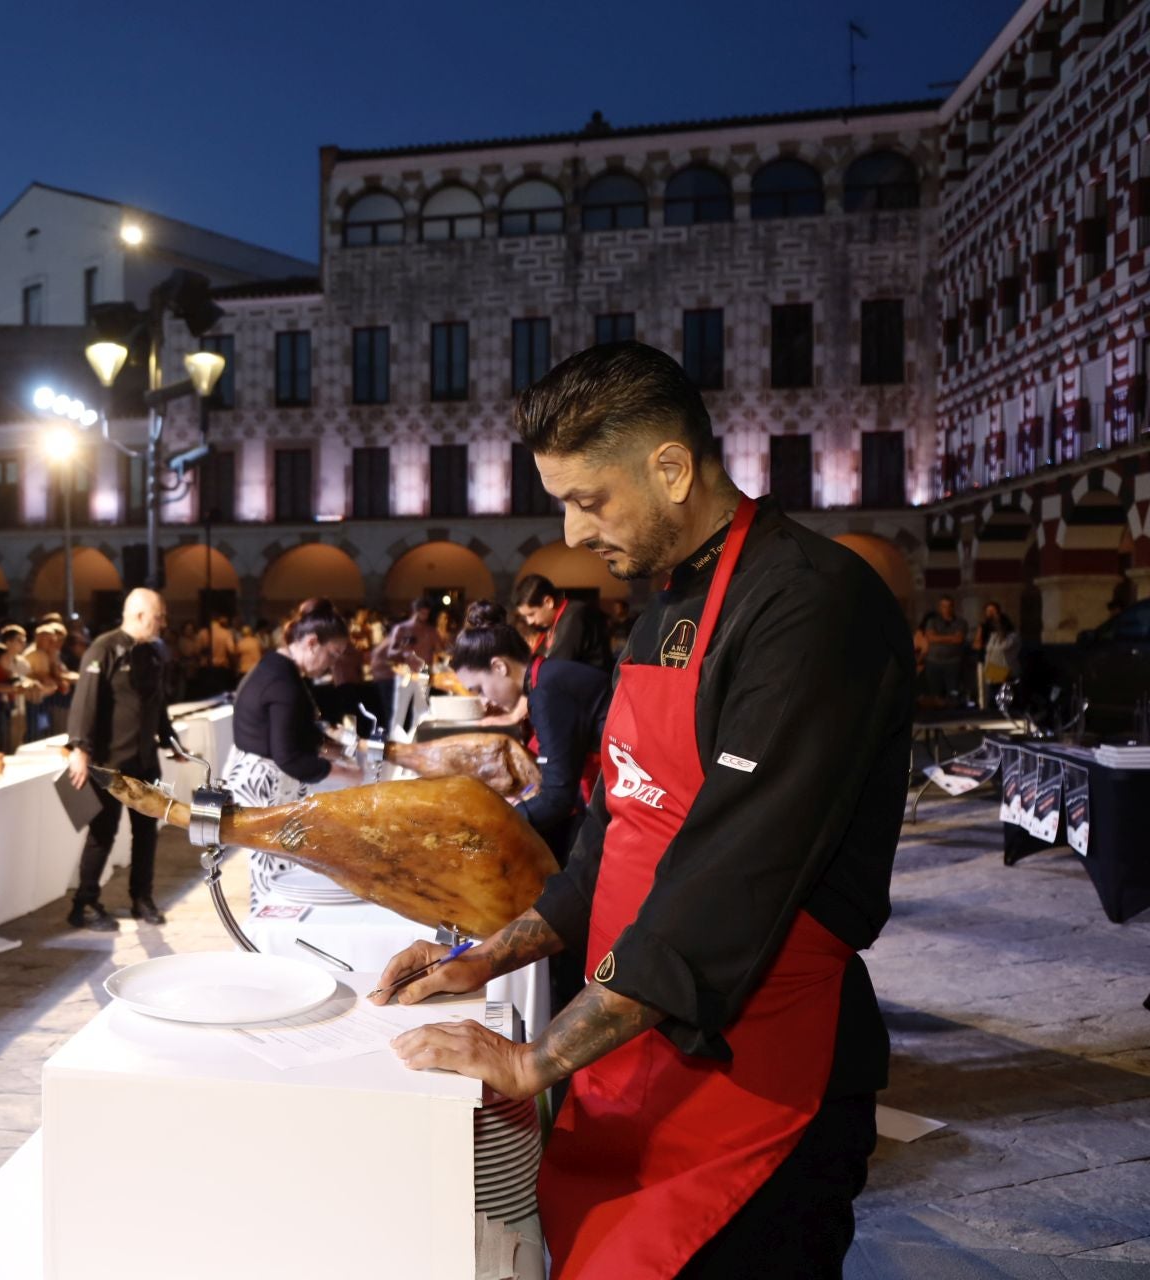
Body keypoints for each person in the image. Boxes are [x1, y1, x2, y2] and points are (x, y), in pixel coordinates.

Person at [375, 341, 912, 1279]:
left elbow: (732, 874)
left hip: (757, 1069)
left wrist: (536, 1062)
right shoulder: (666, 604)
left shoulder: (813, 604)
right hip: (636, 1050)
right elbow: (617, 827)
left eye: (589, 499)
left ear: (670, 467)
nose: (574, 534)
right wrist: (485, 956)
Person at [219, 599, 363, 903]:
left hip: (264, 776)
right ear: (312, 643)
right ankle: (264, 940)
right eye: (332, 654)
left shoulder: (281, 667)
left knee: (282, 860)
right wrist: (347, 774)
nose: (332, 664)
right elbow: (288, 757)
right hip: (261, 783)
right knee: (271, 873)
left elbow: (301, 730)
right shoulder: (282, 682)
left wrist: (336, 751)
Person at [450, 600, 609, 861]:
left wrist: (493, 823)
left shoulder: (547, 693)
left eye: (479, 689)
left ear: (499, 667)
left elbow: (558, 799)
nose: (484, 702)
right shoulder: (547, 679)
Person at [64, 588, 174, 929]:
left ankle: (142, 898)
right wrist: (79, 748)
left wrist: (170, 739)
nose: (163, 623)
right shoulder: (104, 648)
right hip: (110, 762)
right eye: (159, 617)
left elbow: (157, 703)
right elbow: (85, 701)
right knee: (103, 833)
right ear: (140, 615)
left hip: (145, 761)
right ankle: (84, 903)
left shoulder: (153, 653)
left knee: (146, 831)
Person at [513, 575, 613, 675]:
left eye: (531, 614)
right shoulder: (549, 624)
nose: (529, 621)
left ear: (548, 602)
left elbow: (558, 666)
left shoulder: (575, 614)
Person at [370, 594, 440, 680]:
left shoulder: (431, 631)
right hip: (405, 672)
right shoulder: (402, 629)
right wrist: (404, 648)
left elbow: (440, 651)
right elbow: (391, 653)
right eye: (422, 613)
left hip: (424, 672)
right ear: (415, 612)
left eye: (427, 614)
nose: (425, 616)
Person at [924, 595, 967, 704]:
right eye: (944, 606)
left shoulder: (960, 622)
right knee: (935, 693)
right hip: (934, 662)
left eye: (949, 606)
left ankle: (953, 715)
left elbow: (959, 639)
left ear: (953, 607)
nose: (946, 609)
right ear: (940, 607)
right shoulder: (932, 621)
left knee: (953, 692)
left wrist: (939, 637)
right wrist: (951, 637)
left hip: (953, 662)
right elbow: (931, 638)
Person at [977, 601, 1019, 694]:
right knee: (992, 694)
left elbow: (1004, 647)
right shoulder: (993, 635)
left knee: (1004, 694)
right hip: (993, 669)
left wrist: (1001, 633)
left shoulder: (1012, 637)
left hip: (1006, 669)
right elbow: (987, 650)